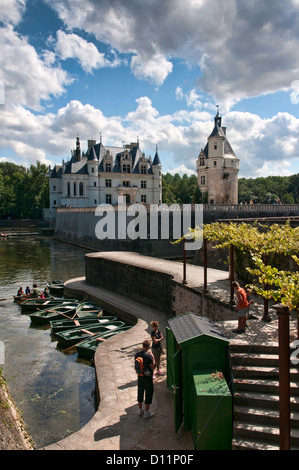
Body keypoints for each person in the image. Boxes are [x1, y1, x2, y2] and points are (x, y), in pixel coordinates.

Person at [135, 339, 155, 419]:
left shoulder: (137, 354)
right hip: (147, 377)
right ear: (148, 346)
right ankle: (147, 412)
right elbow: (153, 366)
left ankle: (140, 410)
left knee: (140, 391)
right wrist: (153, 356)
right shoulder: (148, 356)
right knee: (148, 392)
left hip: (140, 376)